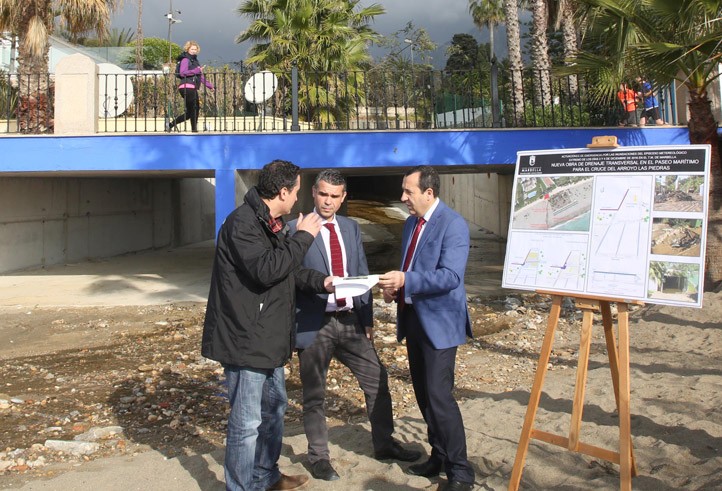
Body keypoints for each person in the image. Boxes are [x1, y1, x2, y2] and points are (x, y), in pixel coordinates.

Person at [202, 160, 335, 491]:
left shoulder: (272, 222)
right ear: (283, 191)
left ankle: (266, 476)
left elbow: (286, 270)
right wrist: (303, 236)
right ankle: (241, 486)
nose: (298, 200)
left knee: (274, 410)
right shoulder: (242, 225)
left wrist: (324, 282)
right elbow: (266, 269)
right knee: (246, 424)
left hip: (269, 338)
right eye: (297, 193)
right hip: (244, 340)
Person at [289, 169, 421, 482]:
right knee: (314, 395)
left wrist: (367, 318)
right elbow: (291, 274)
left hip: (350, 321)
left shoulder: (350, 227)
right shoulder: (296, 228)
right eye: (323, 195)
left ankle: (384, 443)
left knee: (377, 378)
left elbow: (360, 271)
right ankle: (319, 458)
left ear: (343, 197)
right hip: (313, 322)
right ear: (313, 193)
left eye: (335, 196)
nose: (328, 202)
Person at [378, 165, 475, 491]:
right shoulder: (410, 225)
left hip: (441, 324)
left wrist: (407, 280)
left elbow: (451, 277)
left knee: (439, 396)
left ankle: (461, 471)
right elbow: (410, 268)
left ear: (429, 193)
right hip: (414, 320)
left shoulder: (454, 225)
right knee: (423, 394)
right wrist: (395, 289)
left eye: (409, 192)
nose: (403, 197)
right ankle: (439, 455)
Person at [167, 40, 214, 133]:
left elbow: (200, 77)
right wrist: (196, 70)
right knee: (195, 108)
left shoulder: (195, 61)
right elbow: (182, 73)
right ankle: (194, 130)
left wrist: (210, 86)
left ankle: (171, 125)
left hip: (192, 87)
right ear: (187, 49)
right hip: (186, 86)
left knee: (191, 111)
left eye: (195, 49)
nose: (194, 51)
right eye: (192, 49)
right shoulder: (185, 59)